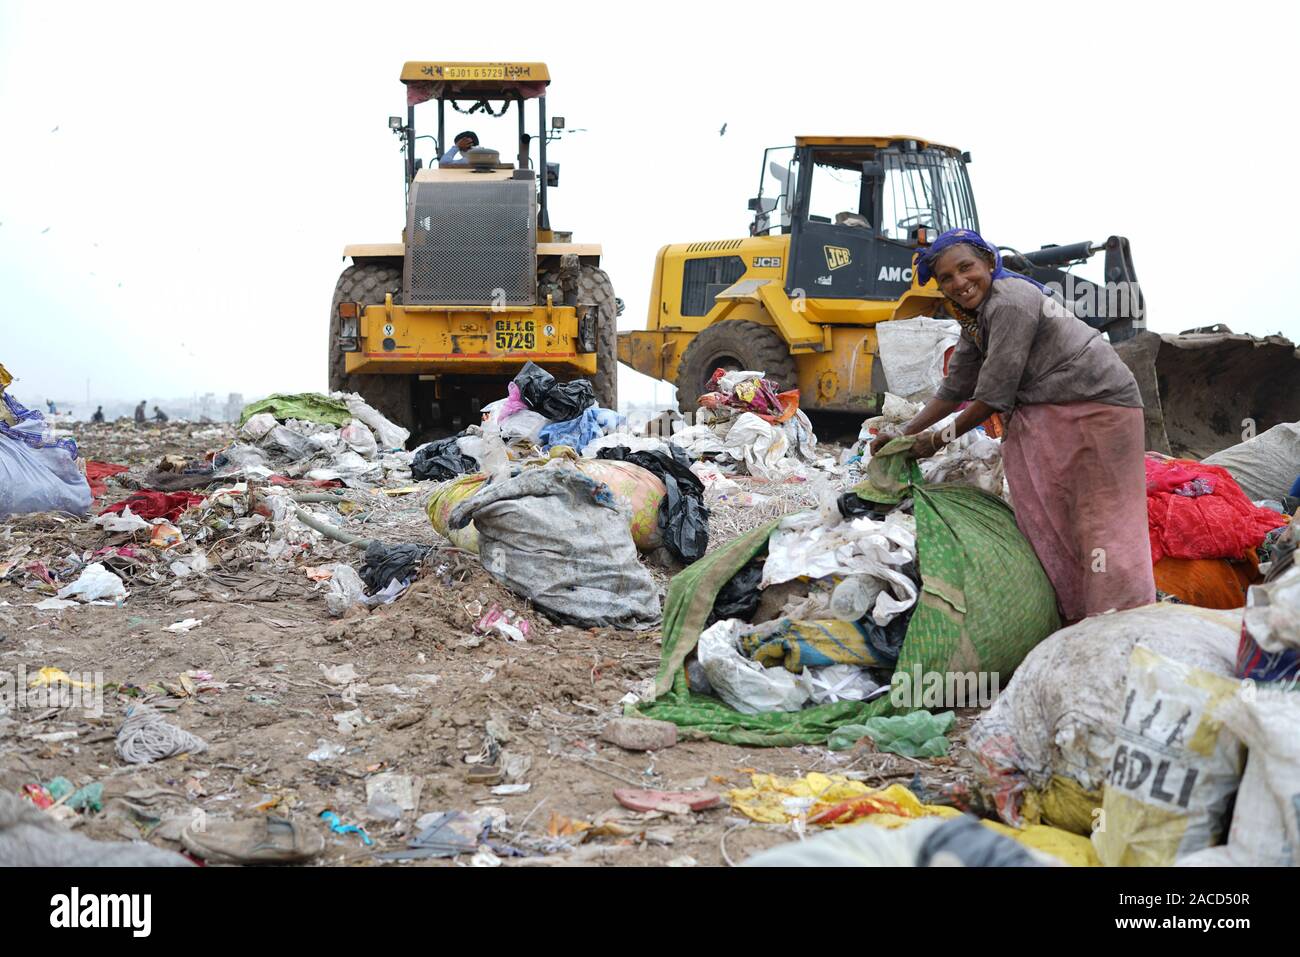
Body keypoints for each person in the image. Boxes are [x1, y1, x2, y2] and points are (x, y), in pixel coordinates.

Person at [869, 228, 1154, 623]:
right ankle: (1074, 619)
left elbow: (992, 397)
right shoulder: (973, 315)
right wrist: (905, 433)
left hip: (1097, 411)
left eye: (966, 268)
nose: (959, 283)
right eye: (946, 278)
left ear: (989, 262)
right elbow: (957, 387)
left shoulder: (1012, 301)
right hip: (1048, 412)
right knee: (1049, 522)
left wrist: (933, 441)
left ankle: (1123, 621)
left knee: (1101, 522)